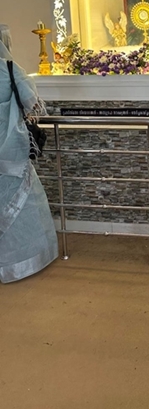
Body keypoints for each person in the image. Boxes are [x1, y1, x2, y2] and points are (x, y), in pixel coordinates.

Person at [0, 32, 58, 283]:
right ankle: (20, 263)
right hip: (11, 150)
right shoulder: (10, 69)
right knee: (21, 205)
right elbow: (32, 102)